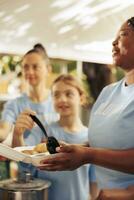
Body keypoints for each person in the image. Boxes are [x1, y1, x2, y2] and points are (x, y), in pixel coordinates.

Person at [39, 17, 134, 195]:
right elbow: (107, 142)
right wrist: (75, 149)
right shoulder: (108, 92)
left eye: (123, 35)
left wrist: (88, 156)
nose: (114, 42)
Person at [12, 74, 98, 200]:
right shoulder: (42, 131)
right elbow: (24, 162)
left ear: (81, 98)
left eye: (69, 94)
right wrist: (17, 134)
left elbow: (93, 182)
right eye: (56, 94)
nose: (62, 99)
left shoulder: (91, 137)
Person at [0, 43, 58, 145]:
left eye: (35, 67)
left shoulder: (60, 101)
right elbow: (3, 133)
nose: (30, 72)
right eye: (26, 67)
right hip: (26, 160)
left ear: (48, 69)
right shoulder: (14, 104)